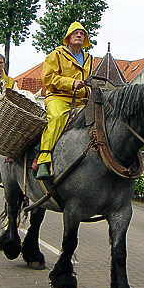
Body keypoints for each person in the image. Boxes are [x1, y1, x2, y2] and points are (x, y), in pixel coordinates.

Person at [36, 21, 93, 179]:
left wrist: (88, 89)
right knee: (57, 117)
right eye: (76, 33)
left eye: (82, 33)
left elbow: (89, 81)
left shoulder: (89, 59)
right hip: (58, 97)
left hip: (82, 100)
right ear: (68, 37)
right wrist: (70, 83)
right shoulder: (57, 54)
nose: (79, 35)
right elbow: (47, 78)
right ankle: (43, 159)